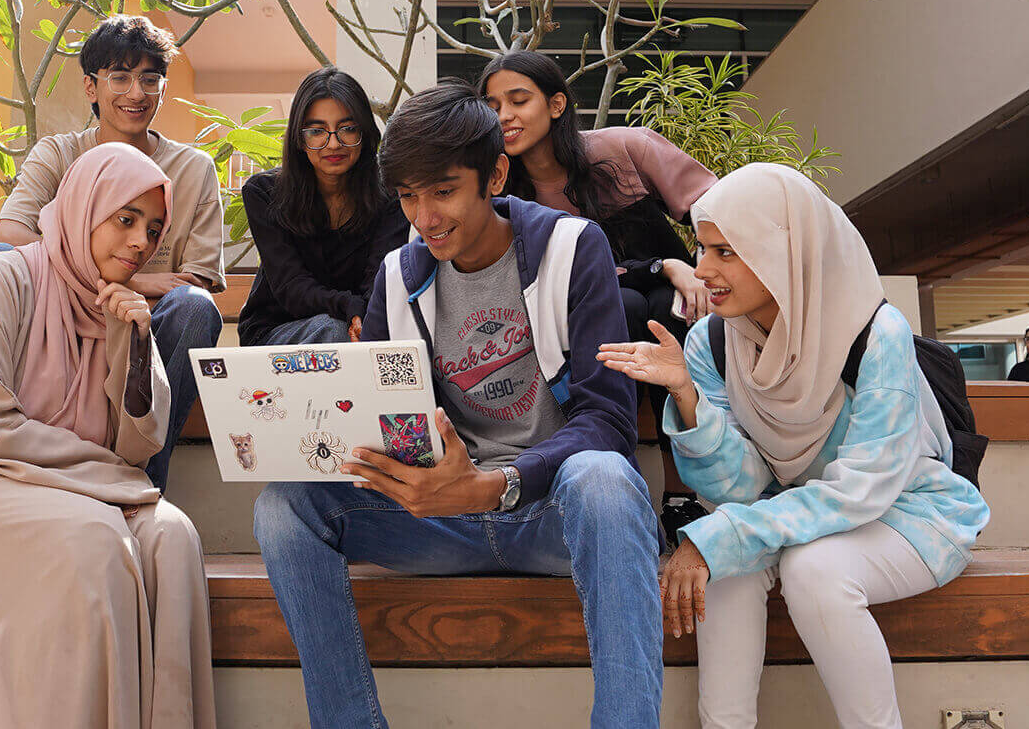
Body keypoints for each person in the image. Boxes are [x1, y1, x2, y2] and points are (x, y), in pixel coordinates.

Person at [251, 82, 663, 729]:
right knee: (283, 506)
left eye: (442, 191)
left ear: (495, 174)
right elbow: (392, 419)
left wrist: (496, 484)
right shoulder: (398, 274)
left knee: (606, 479)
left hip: (551, 511)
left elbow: (607, 422)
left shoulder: (572, 248)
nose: (425, 216)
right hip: (438, 514)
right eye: (409, 196)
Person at [596, 163, 989, 729]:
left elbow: (864, 488)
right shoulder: (713, 341)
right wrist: (687, 396)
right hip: (791, 513)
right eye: (703, 249)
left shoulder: (876, 333)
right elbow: (741, 488)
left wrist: (721, 535)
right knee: (726, 565)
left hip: (903, 511)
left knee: (813, 570)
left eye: (726, 252)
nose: (703, 270)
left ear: (784, 251)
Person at [0, 143, 214, 728]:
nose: (141, 242)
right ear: (83, 209)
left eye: (154, 229)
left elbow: (135, 449)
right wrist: (103, 477)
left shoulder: (118, 309)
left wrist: (132, 345)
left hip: (64, 486)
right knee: (91, 541)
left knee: (172, 537)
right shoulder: (0, 279)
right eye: (125, 219)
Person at [0, 14, 225, 490]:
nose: (136, 93)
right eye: (120, 77)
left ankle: (144, 481)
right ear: (91, 87)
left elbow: (198, 283)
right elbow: (8, 232)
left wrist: (135, 301)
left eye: (150, 79)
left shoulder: (192, 169)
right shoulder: (59, 153)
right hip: (60, 322)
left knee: (194, 310)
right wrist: (135, 281)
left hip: (144, 336)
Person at [479, 50, 719, 541]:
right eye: (492, 104)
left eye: (519, 100)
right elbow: (585, 281)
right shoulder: (509, 196)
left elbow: (717, 205)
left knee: (665, 312)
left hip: (674, 299)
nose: (504, 115)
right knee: (631, 311)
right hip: (598, 308)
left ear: (558, 104)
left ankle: (680, 496)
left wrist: (704, 266)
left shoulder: (622, 150)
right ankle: (620, 489)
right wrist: (664, 265)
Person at [237, 67, 409, 346]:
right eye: (317, 131)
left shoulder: (392, 196)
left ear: (365, 132)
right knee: (331, 330)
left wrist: (361, 314)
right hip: (275, 332)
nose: (333, 143)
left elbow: (380, 281)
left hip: (360, 329)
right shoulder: (265, 193)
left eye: (348, 128)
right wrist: (349, 307)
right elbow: (290, 286)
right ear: (299, 138)